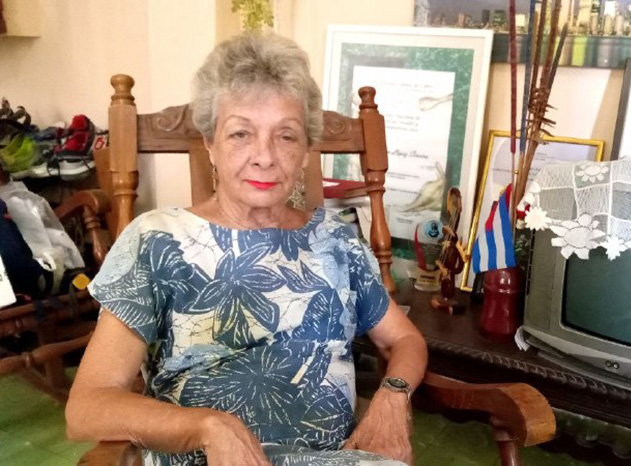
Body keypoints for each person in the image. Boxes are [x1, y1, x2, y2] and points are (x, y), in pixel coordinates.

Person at [65, 32, 427, 466]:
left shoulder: (337, 240)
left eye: (286, 136)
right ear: (210, 143)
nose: (264, 157)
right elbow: (87, 407)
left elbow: (404, 339)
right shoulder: (158, 240)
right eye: (240, 133)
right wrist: (207, 427)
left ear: (306, 151)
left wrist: (393, 397)